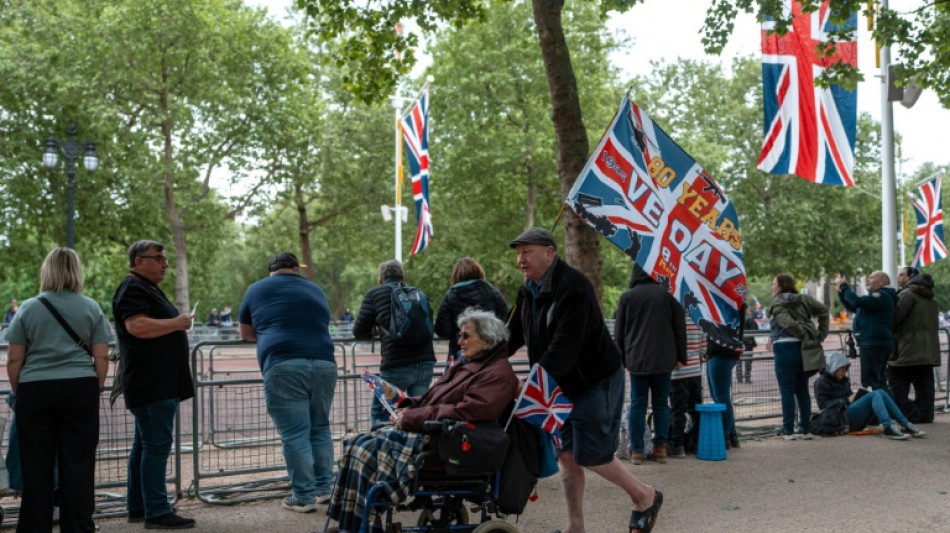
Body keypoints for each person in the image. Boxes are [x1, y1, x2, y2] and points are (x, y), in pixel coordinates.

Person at [506, 228, 662, 533]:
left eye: (527, 252)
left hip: (595, 379)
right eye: (518, 253)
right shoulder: (527, 289)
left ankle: (645, 496)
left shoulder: (573, 287)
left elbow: (566, 347)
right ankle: (575, 526)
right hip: (560, 382)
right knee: (566, 456)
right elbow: (511, 335)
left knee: (591, 453)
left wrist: (532, 381)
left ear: (549, 252)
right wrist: (484, 355)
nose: (520, 260)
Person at [319, 309, 520, 533]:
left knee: (368, 450)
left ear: (487, 340)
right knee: (356, 444)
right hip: (435, 432)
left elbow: (468, 411)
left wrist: (412, 418)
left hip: (452, 442)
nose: (459, 341)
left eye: (466, 335)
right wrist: (407, 407)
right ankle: (351, 523)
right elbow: (431, 398)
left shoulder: (498, 373)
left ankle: (364, 526)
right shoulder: (467, 364)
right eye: (459, 335)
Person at [4, 248, 111, 533]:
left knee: (35, 465)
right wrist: (95, 386)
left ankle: (34, 527)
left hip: (34, 389)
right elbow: (101, 356)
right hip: (79, 387)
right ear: (77, 271)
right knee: (78, 465)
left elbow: (14, 359)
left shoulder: (28, 307)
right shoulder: (90, 307)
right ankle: (78, 527)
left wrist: (21, 389)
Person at [239, 252, 338, 513]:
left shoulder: (256, 289)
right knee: (320, 427)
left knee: (295, 433)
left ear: (271, 270)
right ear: (296, 269)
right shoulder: (315, 289)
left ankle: (303, 496)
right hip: (325, 362)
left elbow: (246, 333)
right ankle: (324, 489)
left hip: (283, 363)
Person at [112, 240, 196, 529]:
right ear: (138, 261)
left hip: (155, 382)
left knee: (145, 446)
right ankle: (157, 511)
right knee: (156, 446)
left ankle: (138, 506)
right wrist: (177, 323)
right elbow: (137, 326)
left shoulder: (142, 287)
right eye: (158, 258)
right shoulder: (133, 288)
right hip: (152, 384)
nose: (165, 264)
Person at [615, 264, 685, 464]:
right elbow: (679, 328)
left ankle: (636, 450)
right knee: (661, 403)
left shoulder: (627, 297)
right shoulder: (669, 295)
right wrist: (681, 357)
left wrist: (620, 359)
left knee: (637, 404)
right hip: (665, 358)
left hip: (636, 359)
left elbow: (619, 332)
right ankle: (660, 448)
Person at [353, 259, 436, 425]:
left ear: (380, 280)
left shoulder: (374, 294)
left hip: (396, 363)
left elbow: (359, 331)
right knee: (417, 413)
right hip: (425, 362)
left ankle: (384, 449)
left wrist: (375, 332)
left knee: (381, 414)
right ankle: (415, 449)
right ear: (403, 277)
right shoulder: (418, 293)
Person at [769, 274, 829, 440]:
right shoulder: (805, 299)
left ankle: (788, 429)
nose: (772, 287)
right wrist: (819, 334)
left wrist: (802, 332)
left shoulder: (778, 301)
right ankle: (805, 428)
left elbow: (786, 322)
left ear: (781, 285)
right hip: (805, 349)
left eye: (774, 284)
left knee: (787, 391)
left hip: (784, 348)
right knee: (802, 389)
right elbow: (824, 310)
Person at [815, 351, 926, 440]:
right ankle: (888, 426)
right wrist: (846, 400)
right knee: (875, 395)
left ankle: (905, 423)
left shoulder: (843, 381)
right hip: (839, 418)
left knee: (880, 392)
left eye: (844, 369)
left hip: (846, 413)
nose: (843, 372)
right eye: (841, 369)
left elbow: (848, 399)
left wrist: (856, 397)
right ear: (833, 367)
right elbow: (824, 406)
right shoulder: (821, 382)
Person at [434, 257, 508, 361]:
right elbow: (505, 317)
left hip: (460, 352)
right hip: (490, 351)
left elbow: (443, 330)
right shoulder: (490, 290)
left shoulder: (450, 295)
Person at [890, 267, 940, 423]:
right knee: (925, 387)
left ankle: (911, 415)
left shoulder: (907, 295)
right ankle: (925, 415)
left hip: (907, 349)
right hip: (928, 350)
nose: (898, 278)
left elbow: (895, 319)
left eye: (901, 275)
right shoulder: (931, 299)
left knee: (896, 385)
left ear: (911, 278)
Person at [836, 271, 898, 394]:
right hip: (874, 343)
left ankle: (881, 411)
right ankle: (887, 409)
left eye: (871, 277)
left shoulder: (882, 295)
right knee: (878, 381)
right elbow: (854, 307)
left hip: (874, 343)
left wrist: (844, 286)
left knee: (871, 382)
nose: (868, 280)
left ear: (882, 282)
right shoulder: (878, 299)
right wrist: (841, 292)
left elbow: (857, 302)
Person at [706, 304, 748, 449]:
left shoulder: (724, 302)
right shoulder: (735, 303)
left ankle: (726, 436)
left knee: (721, 397)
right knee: (720, 395)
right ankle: (731, 434)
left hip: (719, 352)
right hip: (723, 351)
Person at [668, 310, 704, 458]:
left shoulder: (673, 320)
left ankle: (677, 445)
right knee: (696, 409)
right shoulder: (698, 318)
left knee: (678, 410)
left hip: (678, 372)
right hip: (695, 370)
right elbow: (704, 347)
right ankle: (695, 444)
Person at [736, 309, 759, 384]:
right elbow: (755, 330)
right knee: (748, 361)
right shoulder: (749, 318)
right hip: (748, 342)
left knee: (738, 361)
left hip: (738, 342)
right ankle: (747, 378)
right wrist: (750, 339)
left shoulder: (735, 318)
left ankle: (739, 379)